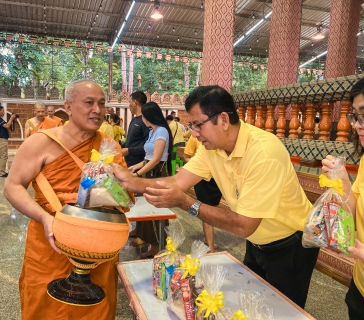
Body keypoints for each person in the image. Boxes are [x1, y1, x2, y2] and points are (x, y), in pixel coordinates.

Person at [112, 85, 319, 309]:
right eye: (191, 126)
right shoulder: (211, 147)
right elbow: (178, 181)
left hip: (290, 245)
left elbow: (244, 225)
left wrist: (186, 203)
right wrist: (133, 183)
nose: (194, 133)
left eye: (198, 125)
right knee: (251, 306)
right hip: (257, 241)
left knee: (281, 312)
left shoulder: (263, 152)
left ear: (222, 119)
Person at [4, 80, 128, 319]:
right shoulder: (41, 142)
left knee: (95, 309)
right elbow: (12, 187)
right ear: (68, 107)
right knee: (46, 306)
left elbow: (123, 196)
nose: (97, 110)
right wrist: (44, 217)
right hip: (50, 242)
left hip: (97, 245)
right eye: (89, 103)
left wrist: (106, 188)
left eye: (102, 104)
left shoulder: (109, 145)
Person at [321, 77, 364, 320]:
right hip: (360, 284)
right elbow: (352, 207)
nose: (358, 125)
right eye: (355, 116)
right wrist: (342, 180)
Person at [128, 102, 173, 258]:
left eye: (143, 116)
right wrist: (134, 168)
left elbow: (155, 160)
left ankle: (156, 245)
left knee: (154, 209)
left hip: (155, 173)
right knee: (144, 206)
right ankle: (143, 234)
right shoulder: (152, 131)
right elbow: (148, 158)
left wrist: (138, 174)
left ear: (148, 116)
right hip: (148, 170)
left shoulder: (162, 131)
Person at [183, 136, 221, 252]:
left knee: (213, 208)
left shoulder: (219, 139)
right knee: (206, 211)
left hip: (218, 178)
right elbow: (186, 156)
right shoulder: (195, 137)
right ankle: (210, 247)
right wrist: (200, 166)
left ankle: (207, 238)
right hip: (201, 179)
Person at [122, 91, 149, 167]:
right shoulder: (134, 120)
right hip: (129, 163)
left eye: (130, 102)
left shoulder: (146, 121)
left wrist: (129, 151)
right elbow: (132, 141)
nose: (129, 105)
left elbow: (148, 146)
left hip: (139, 164)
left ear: (135, 103)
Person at [0, 105, 16, 177]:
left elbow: (9, 126)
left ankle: (1, 171)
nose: (3, 112)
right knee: (3, 156)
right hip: (2, 139)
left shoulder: (0, 119)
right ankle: (2, 172)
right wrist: (11, 118)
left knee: (2, 156)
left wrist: (13, 120)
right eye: (3, 111)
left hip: (3, 139)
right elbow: (6, 126)